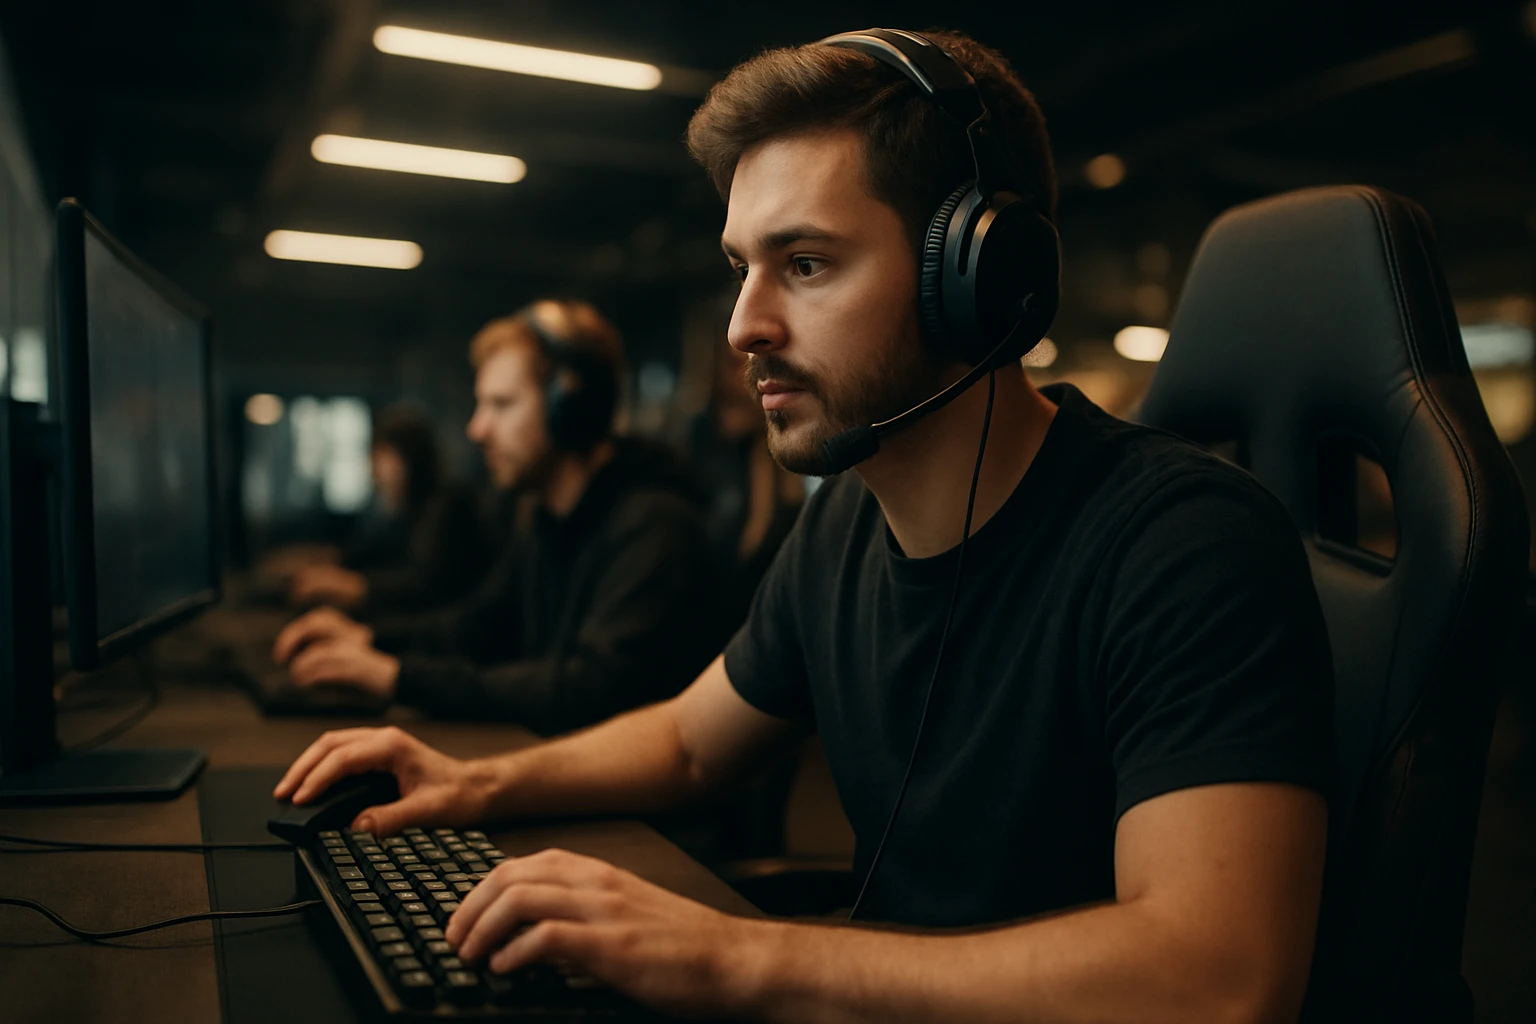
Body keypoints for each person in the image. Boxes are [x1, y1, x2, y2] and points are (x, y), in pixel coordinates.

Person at [274, 28, 1334, 1023]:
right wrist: (476, 785)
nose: (744, 326)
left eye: (807, 264)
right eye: (742, 267)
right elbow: (691, 743)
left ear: (977, 278)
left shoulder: (1184, 544)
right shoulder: (845, 530)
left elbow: (1218, 979)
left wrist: (736, 953)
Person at [271, 300, 722, 735]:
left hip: (645, 812)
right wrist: (366, 640)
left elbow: (589, 690)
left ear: (570, 408)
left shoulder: (657, 526)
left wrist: (398, 678)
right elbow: (474, 628)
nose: (477, 429)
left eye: (502, 405)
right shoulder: (550, 521)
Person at [288, 403, 491, 615]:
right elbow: (372, 552)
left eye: (384, 457)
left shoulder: (447, 505)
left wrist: (355, 586)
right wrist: (330, 564)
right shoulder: (407, 508)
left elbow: (427, 583)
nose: (375, 471)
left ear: (410, 459)